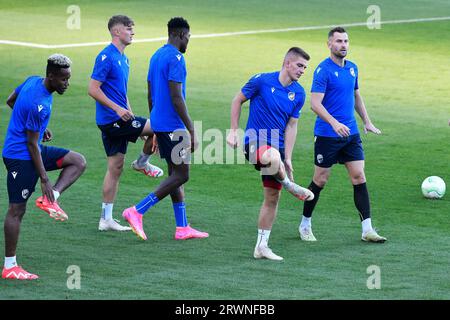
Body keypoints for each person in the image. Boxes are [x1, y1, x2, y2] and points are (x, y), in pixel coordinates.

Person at [122, 17, 208, 241]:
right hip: (173, 125)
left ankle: (182, 227)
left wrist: (156, 125)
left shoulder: (156, 55)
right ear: (180, 35)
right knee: (182, 175)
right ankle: (137, 210)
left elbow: (150, 93)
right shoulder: (176, 59)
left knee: (173, 173)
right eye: (188, 37)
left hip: (160, 122)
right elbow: (176, 97)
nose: (188, 42)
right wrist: (191, 130)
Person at [2, 54, 87, 280]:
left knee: (77, 161)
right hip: (20, 156)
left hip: (32, 148)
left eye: (68, 78)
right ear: (51, 76)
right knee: (16, 210)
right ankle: (10, 266)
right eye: (63, 79)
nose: (67, 84)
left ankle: (51, 199)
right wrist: (44, 178)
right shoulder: (38, 104)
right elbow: (30, 143)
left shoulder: (33, 80)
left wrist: (38, 129)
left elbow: (11, 100)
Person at [299, 27, 386, 243]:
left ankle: (367, 229)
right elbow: (315, 104)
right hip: (328, 135)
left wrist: (366, 121)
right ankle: (305, 223)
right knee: (320, 180)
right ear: (329, 44)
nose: (343, 45)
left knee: (359, 176)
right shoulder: (323, 70)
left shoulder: (352, 68)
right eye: (339, 41)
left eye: (346, 41)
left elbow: (356, 96)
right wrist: (334, 123)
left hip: (351, 134)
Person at [226, 47, 314, 261]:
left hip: (278, 147)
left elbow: (292, 127)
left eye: (305, 67)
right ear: (287, 63)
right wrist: (234, 130)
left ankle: (261, 246)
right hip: (255, 142)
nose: (303, 70)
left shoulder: (299, 93)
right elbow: (237, 99)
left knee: (272, 198)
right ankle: (291, 185)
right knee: (272, 157)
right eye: (300, 65)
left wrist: (289, 158)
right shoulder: (261, 81)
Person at [88, 15, 163, 232]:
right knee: (158, 126)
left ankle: (106, 219)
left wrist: (129, 111)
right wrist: (118, 110)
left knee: (115, 167)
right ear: (117, 31)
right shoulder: (106, 57)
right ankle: (142, 163)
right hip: (112, 120)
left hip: (119, 118)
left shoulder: (124, 59)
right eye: (129, 29)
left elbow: (120, 92)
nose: (133, 32)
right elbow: (93, 89)